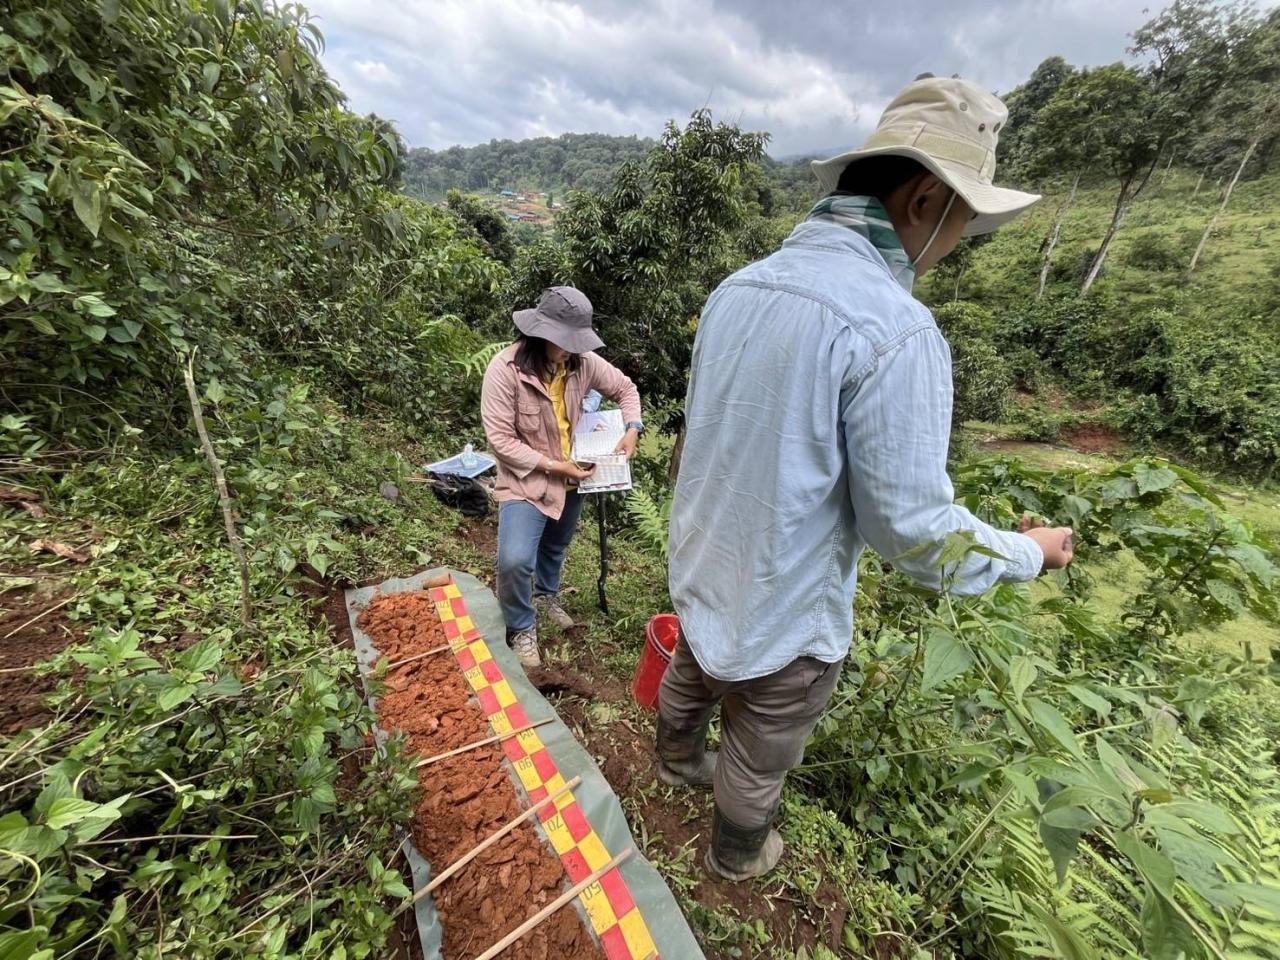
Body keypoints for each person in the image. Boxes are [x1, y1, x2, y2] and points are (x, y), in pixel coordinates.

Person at [658, 76, 1076, 881]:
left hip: (704, 566)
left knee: (695, 669)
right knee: (760, 748)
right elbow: (913, 531)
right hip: (785, 605)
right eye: (964, 222)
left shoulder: (734, 290)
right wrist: (1029, 554)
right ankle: (738, 856)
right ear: (924, 200)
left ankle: (673, 761)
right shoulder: (895, 330)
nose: (958, 243)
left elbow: (701, 440)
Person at [481, 286, 643, 668]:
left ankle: (546, 595)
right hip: (528, 480)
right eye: (564, 341)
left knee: (555, 546)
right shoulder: (505, 371)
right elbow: (501, 441)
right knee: (515, 560)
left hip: (574, 479)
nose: (571, 348)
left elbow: (625, 388)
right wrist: (555, 466)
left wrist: (632, 427)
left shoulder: (583, 363)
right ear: (541, 333)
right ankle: (521, 625)